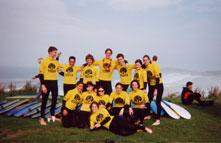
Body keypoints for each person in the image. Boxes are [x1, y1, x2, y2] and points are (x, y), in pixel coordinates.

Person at [39, 46, 62, 125]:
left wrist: (69, 75)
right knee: (44, 101)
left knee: (55, 99)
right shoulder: (44, 61)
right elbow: (41, 75)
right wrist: (43, 85)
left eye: (56, 52)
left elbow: (60, 72)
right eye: (55, 52)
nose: (56, 53)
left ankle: (52, 116)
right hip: (46, 82)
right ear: (50, 52)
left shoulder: (56, 62)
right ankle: (42, 119)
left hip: (54, 82)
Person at [151, 56, 164, 126]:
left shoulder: (154, 65)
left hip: (158, 85)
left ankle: (158, 120)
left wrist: (155, 90)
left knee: (158, 102)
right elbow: (160, 75)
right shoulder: (157, 65)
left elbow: (157, 78)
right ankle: (150, 115)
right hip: (156, 85)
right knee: (150, 100)